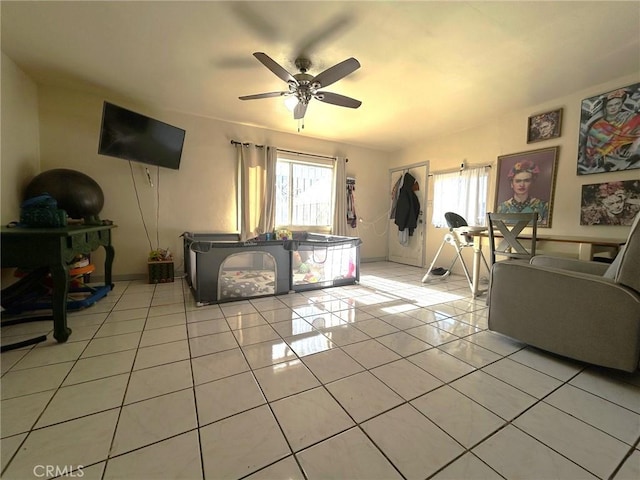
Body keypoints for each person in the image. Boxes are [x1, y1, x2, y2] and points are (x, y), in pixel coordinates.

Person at [583, 88, 640, 171]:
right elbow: (591, 149)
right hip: (607, 161)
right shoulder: (597, 126)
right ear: (605, 107)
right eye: (610, 105)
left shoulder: (630, 117)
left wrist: (635, 144)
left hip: (630, 157)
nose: (614, 108)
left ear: (621, 105)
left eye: (617, 104)